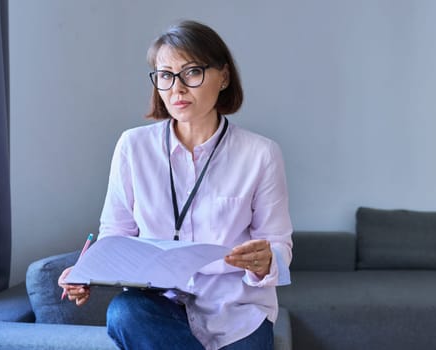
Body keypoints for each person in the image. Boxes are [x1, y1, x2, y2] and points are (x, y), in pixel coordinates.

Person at [59, 20, 293, 350]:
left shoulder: (261, 154)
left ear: (223, 77)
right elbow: (116, 234)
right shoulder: (132, 146)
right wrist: (88, 272)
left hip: (237, 313)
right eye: (165, 75)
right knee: (124, 314)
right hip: (159, 306)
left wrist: (266, 260)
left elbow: (279, 244)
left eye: (191, 72)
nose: (177, 88)